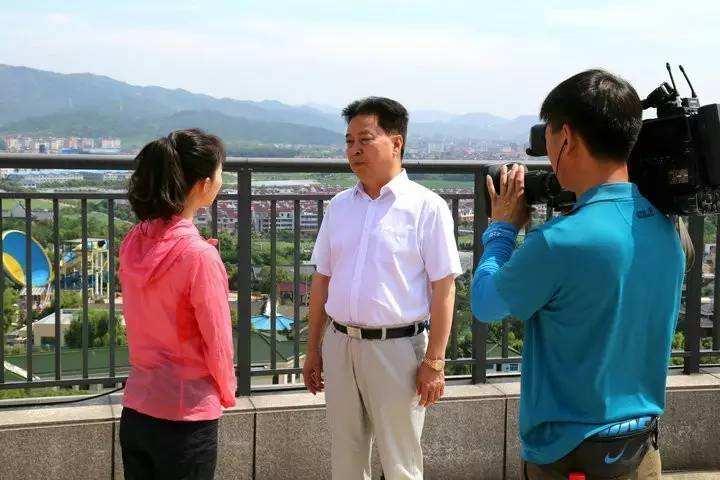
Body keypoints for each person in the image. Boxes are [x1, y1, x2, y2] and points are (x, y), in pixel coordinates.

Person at [471, 70, 685, 479]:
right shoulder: (666, 228)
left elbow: (485, 303)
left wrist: (501, 231)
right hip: (639, 450)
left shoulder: (560, 242)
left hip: (567, 456)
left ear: (565, 138)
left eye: (548, 136)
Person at [303, 97, 462, 480]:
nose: (354, 150)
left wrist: (435, 362)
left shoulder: (427, 207)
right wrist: (313, 349)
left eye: (365, 139)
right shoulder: (339, 206)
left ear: (396, 142)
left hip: (398, 349)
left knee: (400, 463)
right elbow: (322, 280)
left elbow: (444, 289)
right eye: (349, 141)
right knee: (345, 458)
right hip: (340, 344)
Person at [119, 128, 236, 480]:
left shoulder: (133, 242)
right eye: (220, 172)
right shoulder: (199, 256)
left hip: (137, 409)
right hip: (187, 416)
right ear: (203, 184)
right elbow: (218, 340)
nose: (221, 180)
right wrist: (226, 392)